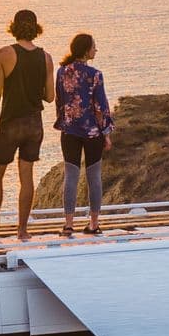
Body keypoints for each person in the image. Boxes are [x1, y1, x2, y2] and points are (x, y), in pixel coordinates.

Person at [0, 9, 55, 241]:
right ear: (36, 28)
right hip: (34, 124)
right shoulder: (46, 58)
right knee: (26, 175)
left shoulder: (4, 54)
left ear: (14, 26)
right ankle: (22, 231)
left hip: (11, 123)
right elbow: (50, 97)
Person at [54, 33, 113, 235]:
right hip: (92, 132)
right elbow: (101, 106)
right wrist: (106, 133)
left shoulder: (62, 72)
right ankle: (94, 224)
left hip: (69, 130)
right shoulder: (95, 74)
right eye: (94, 46)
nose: (96, 50)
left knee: (71, 176)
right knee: (93, 177)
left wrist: (64, 122)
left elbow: (60, 101)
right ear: (86, 50)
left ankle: (68, 225)